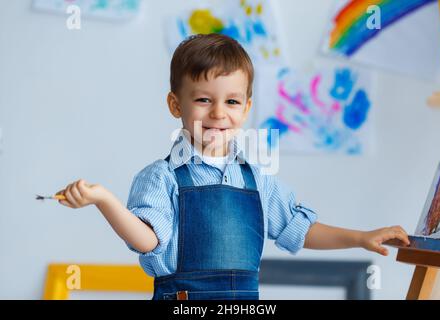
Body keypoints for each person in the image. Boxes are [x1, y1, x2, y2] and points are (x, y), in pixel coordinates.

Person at [56, 33, 410, 300]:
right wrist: (104, 199)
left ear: (247, 107)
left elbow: (297, 230)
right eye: (203, 100)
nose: (218, 113)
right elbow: (148, 241)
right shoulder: (161, 177)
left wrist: (361, 238)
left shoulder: (256, 177)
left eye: (232, 101)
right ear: (175, 105)